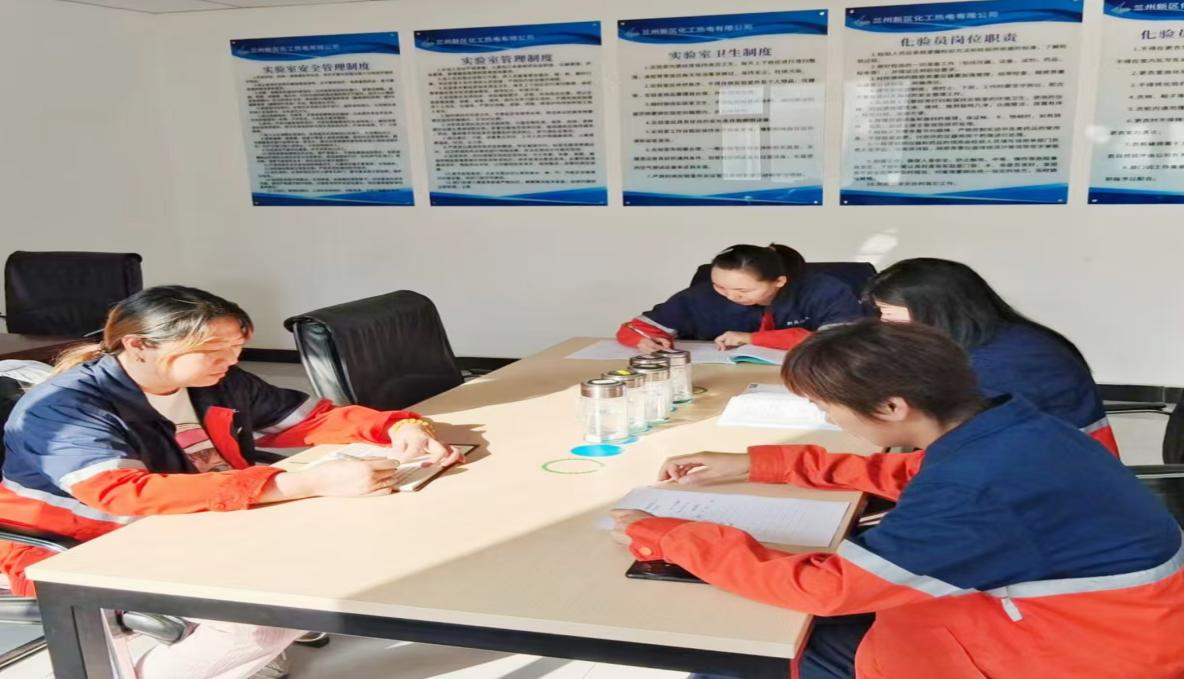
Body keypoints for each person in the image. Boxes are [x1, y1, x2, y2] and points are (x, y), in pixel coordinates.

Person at [611, 322, 1184, 679]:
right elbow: (911, 473)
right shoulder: (1010, 427)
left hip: (1066, 655)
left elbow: (830, 588)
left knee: (749, 651)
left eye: (826, 409)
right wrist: (762, 464)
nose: (828, 419)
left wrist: (666, 535)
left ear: (891, 407)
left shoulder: (974, 488)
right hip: (1097, 626)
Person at [0, 286, 461, 679]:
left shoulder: (218, 380)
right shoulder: (64, 407)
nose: (231, 361)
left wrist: (396, 427)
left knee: (352, 549)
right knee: (260, 624)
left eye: (237, 348)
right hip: (81, 545)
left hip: (196, 523)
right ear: (139, 345)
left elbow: (305, 418)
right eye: (214, 350)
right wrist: (301, 484)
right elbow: (123, 493)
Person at [864, 257, 1117, 455]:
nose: (884, 322)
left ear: (934, 310)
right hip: (1055, 465)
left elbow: (962, 457)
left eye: (887, 312)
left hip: (1056, 481)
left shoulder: (995, 365)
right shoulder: (1001, 336)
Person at [616, 244, 863, 353]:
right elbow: (635, 328)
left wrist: (751, 338)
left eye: (742, 291)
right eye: (720, 286)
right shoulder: (702, 296)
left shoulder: (824, 291)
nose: (730, 296)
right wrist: (644, 341)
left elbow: (840, 341)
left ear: (779, 281)